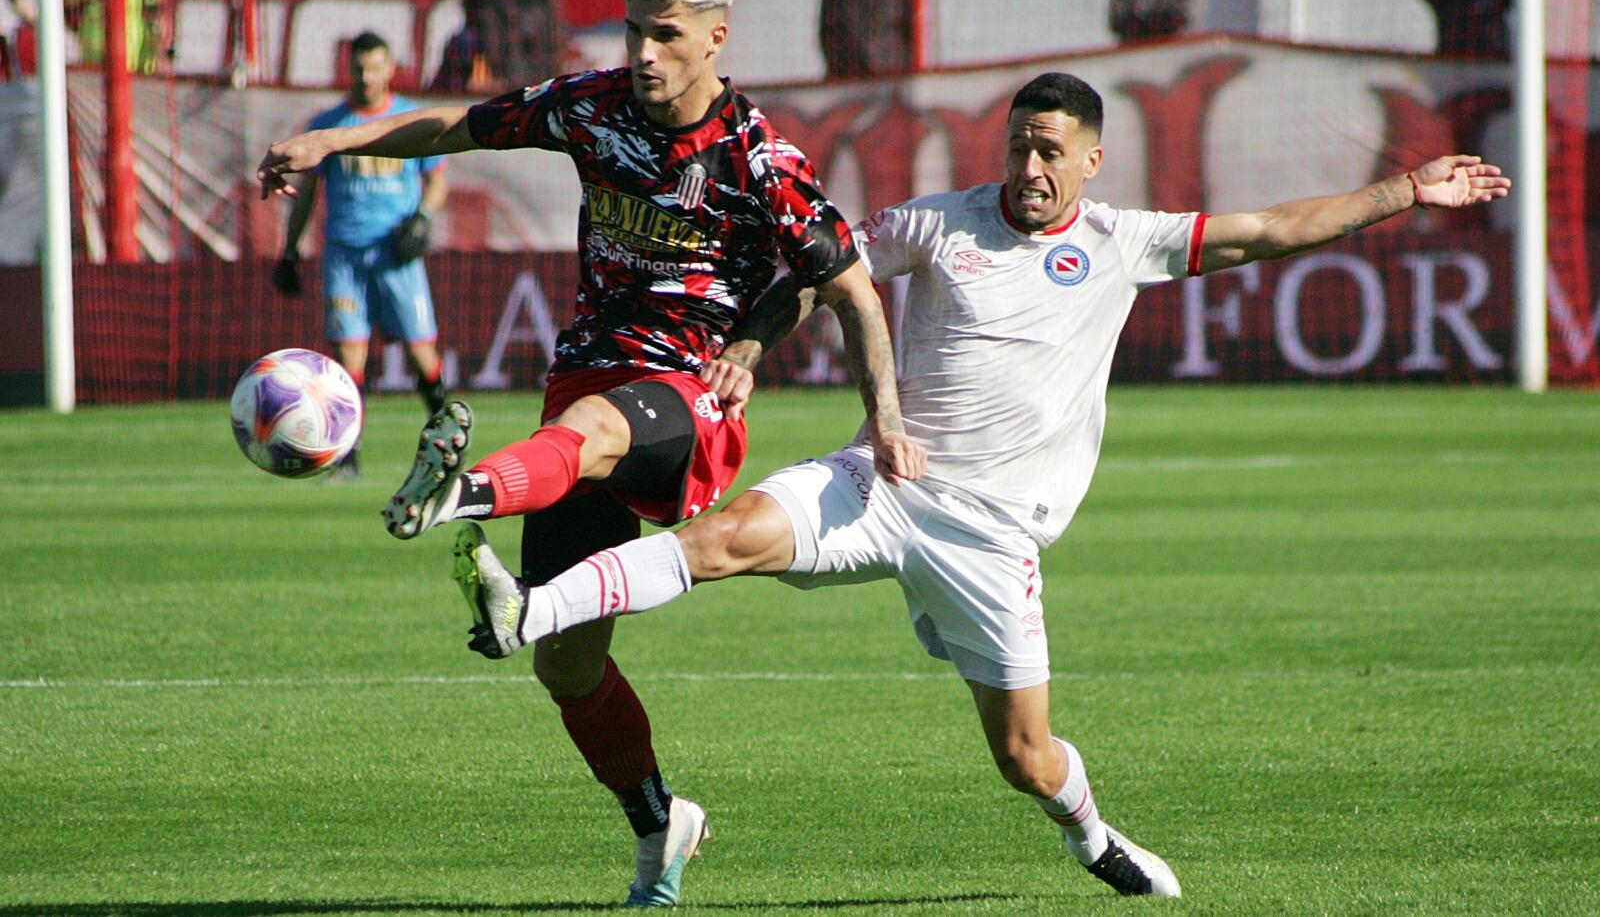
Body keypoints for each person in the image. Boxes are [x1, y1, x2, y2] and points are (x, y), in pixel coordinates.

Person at [450, 72, 1511, 901]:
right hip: (883, 481)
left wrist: (1402, 191)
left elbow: (1270, 230)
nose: (1030, 166)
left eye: (1051, 151)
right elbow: (824, 268)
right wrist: (757, 342)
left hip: (991, 538)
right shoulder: (936, 222)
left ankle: (1096, 838)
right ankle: (531, 607)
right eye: (1019, 145)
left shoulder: (1122, 242)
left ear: (1092, 161)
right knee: (726, 535)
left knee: (1024, 756)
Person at [256, 0, 917, 908]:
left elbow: (850, 288)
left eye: (665, 35)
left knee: (601, 428)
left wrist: (881, 414)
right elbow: (459, 126)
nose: (643, 53)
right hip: (579, 392)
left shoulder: (757, 156)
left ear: (714, 39)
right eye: (632, 31)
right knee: (566, 660)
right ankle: (660, 824)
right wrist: (328, 142)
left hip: (684, 401)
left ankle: (461, 489)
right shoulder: (591, 107)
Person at [270, 30, 452, 480]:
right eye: (359, 68)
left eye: (375, 67)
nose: (367, 77)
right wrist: (290, 250)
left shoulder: (410, 119)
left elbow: (438, 178)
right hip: (345, 256)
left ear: (391, 69)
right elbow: (307, 193)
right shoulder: (331, 125)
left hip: (397, 255)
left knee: (420, 355)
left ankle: (447, 441)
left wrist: (424, 218)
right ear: (348, 69)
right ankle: (346, 456)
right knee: (350, 359)